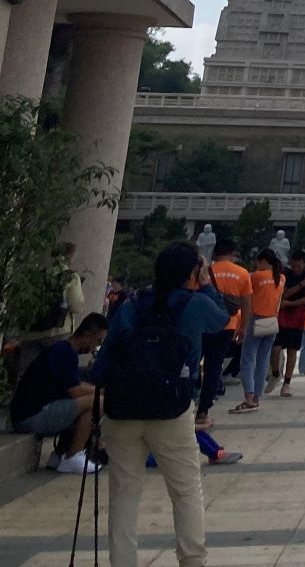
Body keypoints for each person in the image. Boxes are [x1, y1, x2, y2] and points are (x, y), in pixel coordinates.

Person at [98, 241, 229, 567]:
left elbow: (104, 362)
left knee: (124, 496)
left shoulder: (131, 306)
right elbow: (221, 320)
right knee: (185, 492)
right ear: (192, 272)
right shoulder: (195, 303)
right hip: (172, 408)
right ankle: (192, 561)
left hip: (123, 410)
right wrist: (207, 282)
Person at [9, 312, 107, 472]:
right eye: (97, 341)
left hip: (29, 413)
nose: (95, 347)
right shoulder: (65, 352)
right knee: (98, 402)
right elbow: (75, 391)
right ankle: (72, 456)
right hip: (32, 416)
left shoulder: (64, 351)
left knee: (89, 401)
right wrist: (101, 393)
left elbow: (73, 385)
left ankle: (59, 455)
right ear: (87, 335)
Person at [195, 238, 249, 427]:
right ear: (232, 253)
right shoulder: (242, 273)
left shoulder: (204, 271)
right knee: (213, 368)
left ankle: (187, 402)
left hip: (202, 325)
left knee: (193, 364)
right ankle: (203, 411)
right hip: (227, 326)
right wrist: (243, 327)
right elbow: (246, 303)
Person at [231, 249, 284, 413]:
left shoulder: (255, 276)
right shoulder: (281, 278)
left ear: (262, 261)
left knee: (247, 359)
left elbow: (244, 296)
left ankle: (248, 396)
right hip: (272, 321)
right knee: (263, 360)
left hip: (257, 318)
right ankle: (256, 398)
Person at [276, 250, 305, 395]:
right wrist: (301, 285)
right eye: (294, 266)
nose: (296, 269)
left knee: (292, 350)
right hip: (281, 317)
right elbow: (282, 294)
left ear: (304, 264)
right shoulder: (285, 274)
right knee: (275, 347)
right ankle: (275, 373)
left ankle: (287, 383)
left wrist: (288, 303)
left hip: (297, 317)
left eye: (298, 266)